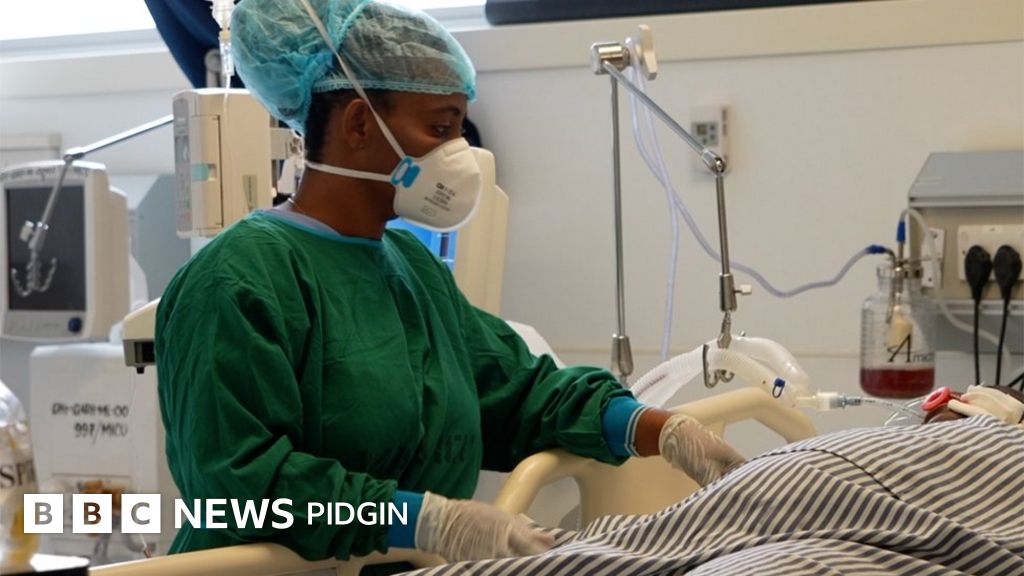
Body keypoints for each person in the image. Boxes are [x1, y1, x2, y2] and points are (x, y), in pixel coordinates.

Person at [153, 0, 745, 572]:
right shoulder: (235, 283)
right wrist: (421, 521)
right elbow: (240, 488)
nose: (458, 153)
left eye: (460, 129)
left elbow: (517, 392)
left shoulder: (410, 267)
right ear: (358, 123)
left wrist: (655, 428)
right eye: (440, 128)